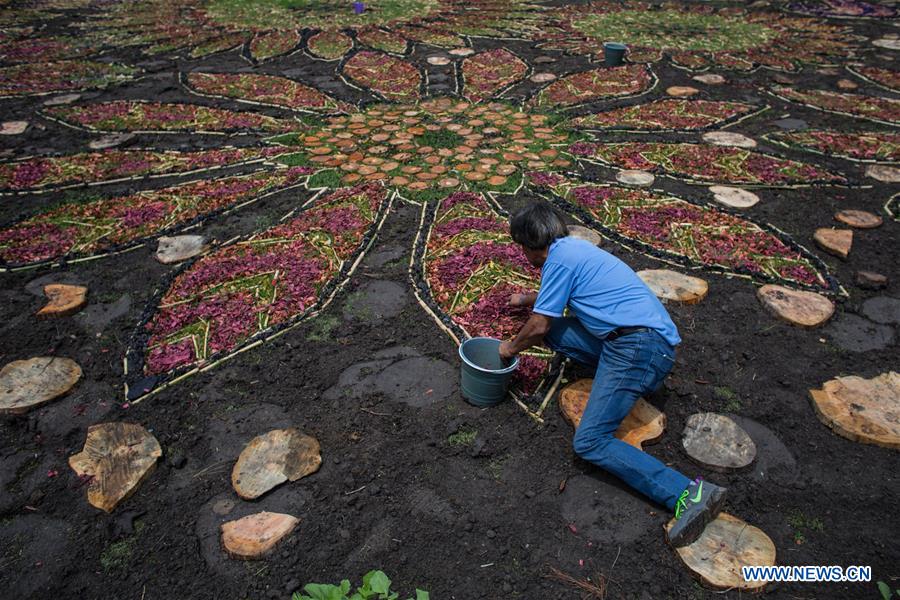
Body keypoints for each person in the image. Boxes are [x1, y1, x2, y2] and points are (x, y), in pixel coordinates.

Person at [498, 201, 726, 547]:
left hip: (639, 349)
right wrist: (531, 297)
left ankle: (688, 494)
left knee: (590, 441)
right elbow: (569, 301)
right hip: (642, 343)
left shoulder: (557, 260)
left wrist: (509, 349)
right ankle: (617, 383)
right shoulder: (572, 248)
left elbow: (539, 323)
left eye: (520, 247)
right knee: (556, 332)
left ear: (529, 245)